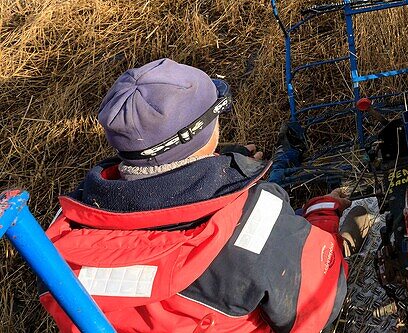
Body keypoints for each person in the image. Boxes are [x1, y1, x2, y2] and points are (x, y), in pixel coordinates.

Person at [40, 58, 371, 333]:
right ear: (197, 136)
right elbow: (320, 305)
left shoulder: (65, 236)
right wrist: (326, 212)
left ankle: (284, 154)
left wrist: (219, 168)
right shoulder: (255, 216)